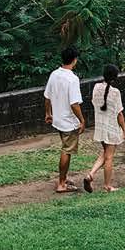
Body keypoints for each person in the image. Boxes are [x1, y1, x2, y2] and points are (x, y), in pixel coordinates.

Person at [42, 46, 85, 194]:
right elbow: (74, 104)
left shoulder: (54, 74)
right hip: (68, 122)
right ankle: (61, 183)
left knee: (66, 148)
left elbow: (47, 97)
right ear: (74, 60)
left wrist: (48, 113)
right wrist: (82, 120)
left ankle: (64, 178)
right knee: (67, 150)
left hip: (58, 119)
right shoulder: (72, 79)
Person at [82, 64, 125, 193]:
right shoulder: (115, 92)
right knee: (109, 157)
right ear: (115, 78)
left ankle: (90, 175)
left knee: (105, 153)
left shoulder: (96, 87)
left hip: (100, 126)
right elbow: (119, 114)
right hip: (111, 128)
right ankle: (107, 185)